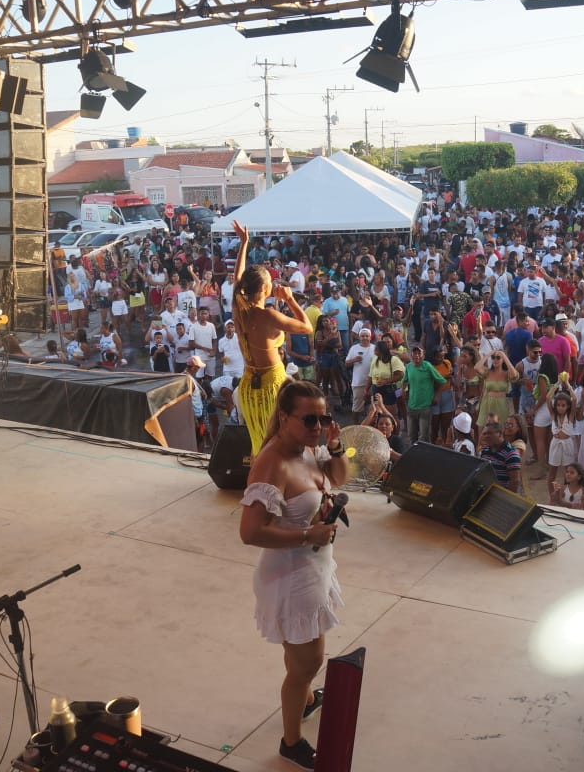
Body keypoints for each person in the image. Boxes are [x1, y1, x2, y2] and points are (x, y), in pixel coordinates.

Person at [238, 381, 347, 771]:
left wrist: (334, 446)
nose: (317, 426)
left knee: (298, 660)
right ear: (284, 417)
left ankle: (304, 700)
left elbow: (342, 477)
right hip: (290, 579)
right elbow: (250, 532)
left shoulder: (309, 448)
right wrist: (308, 534)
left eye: (324, 418)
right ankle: (291, 742)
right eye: (309, 419)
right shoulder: (272, 463)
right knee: (307, 664)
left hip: (311, 570)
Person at [232, 221, 314, 454]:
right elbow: (307, 327)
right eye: (270, 280)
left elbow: (238, 281)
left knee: (259, 444)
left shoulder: (239, 310)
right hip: (271, 385)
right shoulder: (268, 315)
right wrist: (290, 299)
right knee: (279, 443)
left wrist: (244, 244)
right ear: (263, 289)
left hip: (248, 384)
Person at [479, 421, 522, 493]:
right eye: (484, 434)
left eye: (489, 433)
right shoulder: (485, 450)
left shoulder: (511, 454)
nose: (486, 436)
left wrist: (507, 498)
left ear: (500, 434)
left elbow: (515, 482)